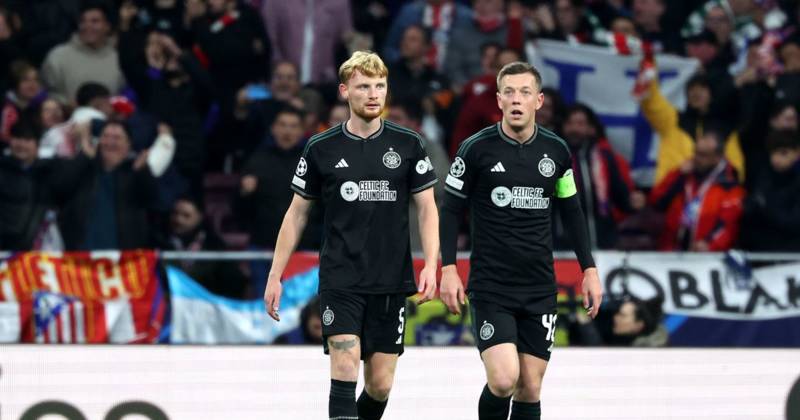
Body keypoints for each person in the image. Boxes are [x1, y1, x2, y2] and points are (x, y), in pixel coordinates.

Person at [264, 51, 439, 420]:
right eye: (363, 87)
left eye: (379, 86)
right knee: (345, 365)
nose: (373, 94)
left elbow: (427, 207)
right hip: (341, 277)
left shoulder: (409, 144)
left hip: (391, 279)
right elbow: (296, 214)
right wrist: (275, 274)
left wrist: (430, 263)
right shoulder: (321, 147)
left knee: (380, 385)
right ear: (345, 91)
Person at [439, 61, 602, 420]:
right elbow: (450, 210)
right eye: (509, 92)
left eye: (525, 92)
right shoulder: (475, 149)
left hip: (539, 287)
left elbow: (572, 211)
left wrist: (589, 269)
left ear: (538, 101)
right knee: (503, 380)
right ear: (499, 100)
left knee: (529, 386)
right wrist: (448, 268)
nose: (516, 99)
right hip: (492, 286)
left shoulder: (557, 151)